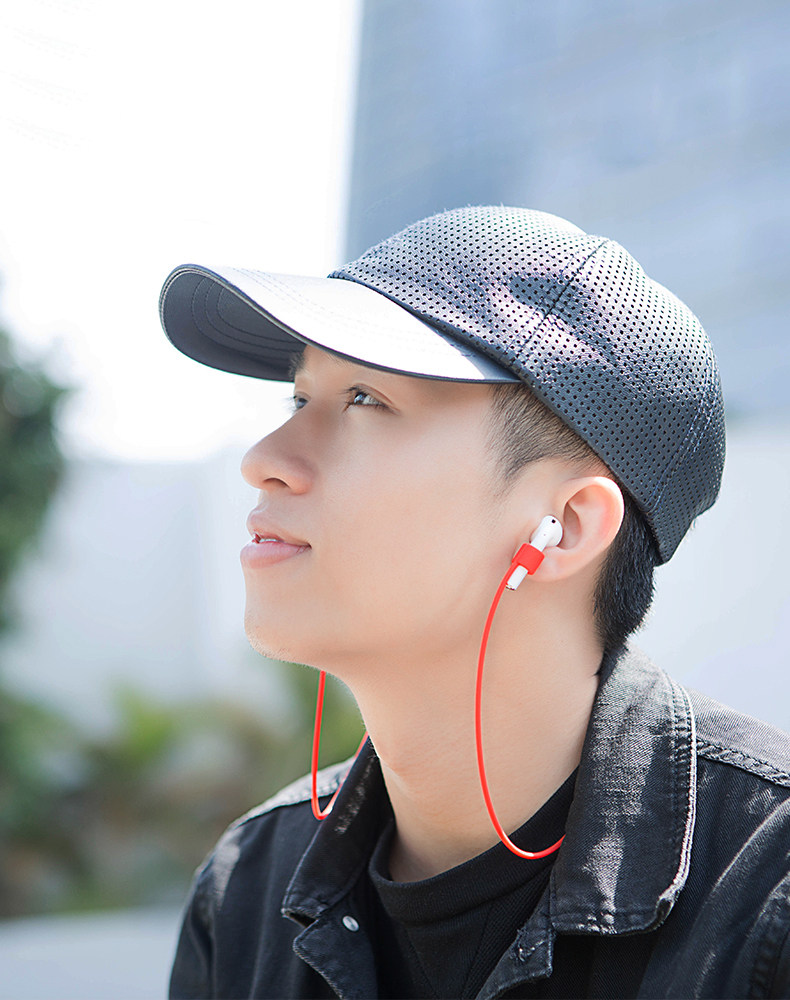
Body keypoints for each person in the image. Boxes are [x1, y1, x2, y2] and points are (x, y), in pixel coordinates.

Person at [159, 207, 790, 999]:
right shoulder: (246, 890)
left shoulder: (766, 891)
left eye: (364, 398)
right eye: (299, 399)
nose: (263, 461)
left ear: (565, 528)